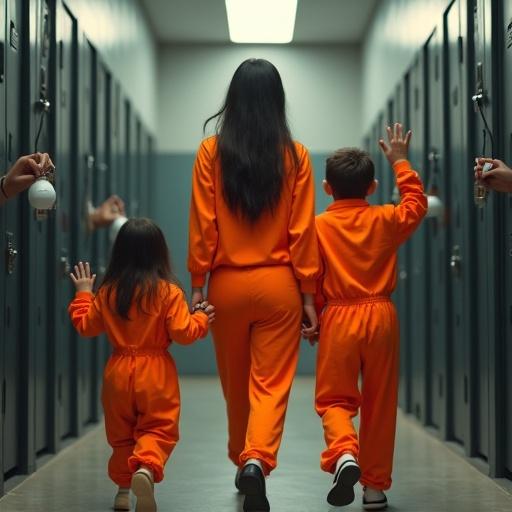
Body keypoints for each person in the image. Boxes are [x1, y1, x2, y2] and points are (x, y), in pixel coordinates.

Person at [188, 58, 320, 512]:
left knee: (236, 384)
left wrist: (198, 285)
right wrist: (308, 295)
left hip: (225, 287)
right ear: (277, 101)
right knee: (271, 384)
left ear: (234, 99)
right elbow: (303, 232)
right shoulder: (296, 155)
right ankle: (257, 461)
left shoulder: (210, 152)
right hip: (279, 287)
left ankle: (241, 461)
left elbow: (204, 225)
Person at [311, 124, 427, 510]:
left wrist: (313, 314)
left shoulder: (318, 227)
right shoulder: (385, 218)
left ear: (327, 189)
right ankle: (374, 488)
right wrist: (401, 162)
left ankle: (344, 453)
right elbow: (417, 204)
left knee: (334, 400)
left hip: (338, 317)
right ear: (373, 187)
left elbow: (310, 274)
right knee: (380, 402)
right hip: (381, 316)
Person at [68, 218, 215, 512]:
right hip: (156, 372)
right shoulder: (168, 292)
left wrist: (84, 292)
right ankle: (145, 470)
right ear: (160, 252)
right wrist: (200, 319)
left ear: (119, 252)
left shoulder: (109, 292)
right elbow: (183, 334)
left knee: (121, 434)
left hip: (118, 373)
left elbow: (85, 326)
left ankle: (123, 493)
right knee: (158, 429)